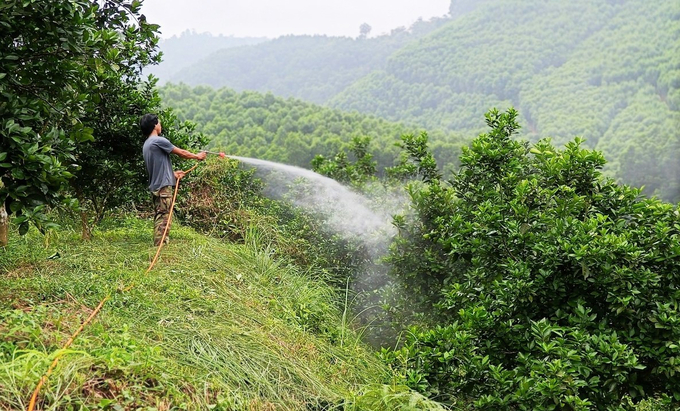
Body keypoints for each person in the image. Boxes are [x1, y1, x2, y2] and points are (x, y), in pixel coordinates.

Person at [140, 113, 206, 246]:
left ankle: (159, 244)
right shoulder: (158, 140)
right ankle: (160, 246)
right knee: (164, 217)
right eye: (159, 122)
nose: (160, 125)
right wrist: (197, 156)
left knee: (161, 214)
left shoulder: (147, 144)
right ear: (154, 125)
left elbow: (157, 167)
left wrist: (173, 174)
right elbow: (181, 153)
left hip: (156, 186)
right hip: (163, 187)